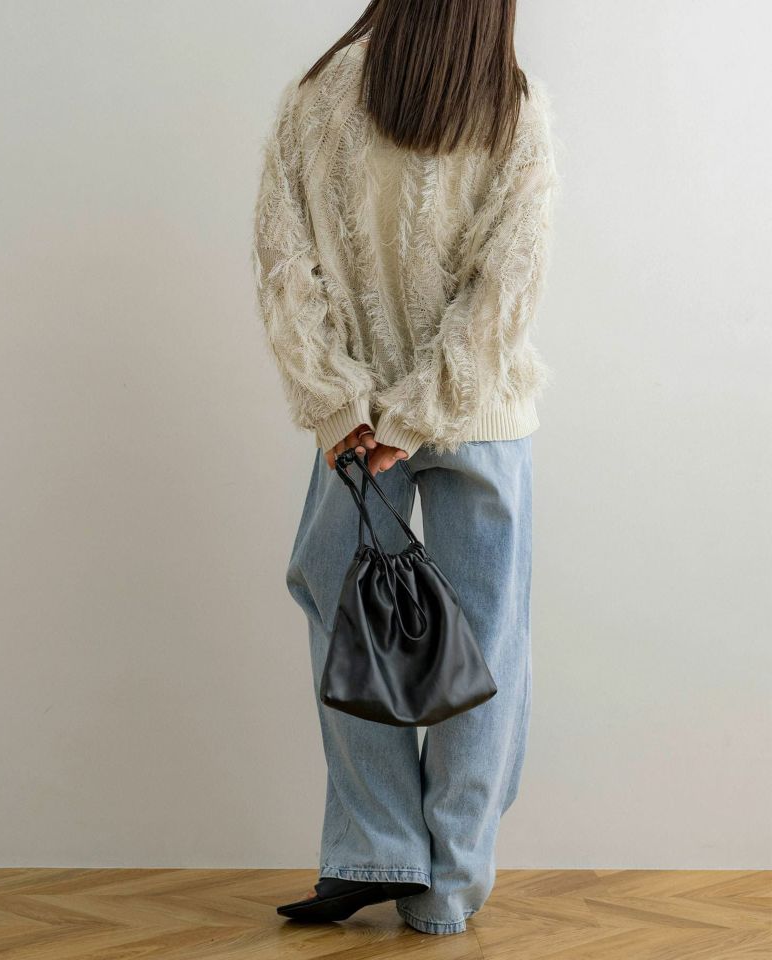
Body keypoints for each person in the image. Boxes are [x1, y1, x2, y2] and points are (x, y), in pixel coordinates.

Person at [251, 0, 559, 937]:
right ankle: (445, 884)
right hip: (477, 414)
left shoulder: (316, 96)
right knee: (487, 645)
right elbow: (506, 290)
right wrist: (416, 411)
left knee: (344, 609)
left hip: (359, 429)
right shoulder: (510, 106)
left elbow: (283, 266)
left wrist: (344, 403)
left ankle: (379, 845)